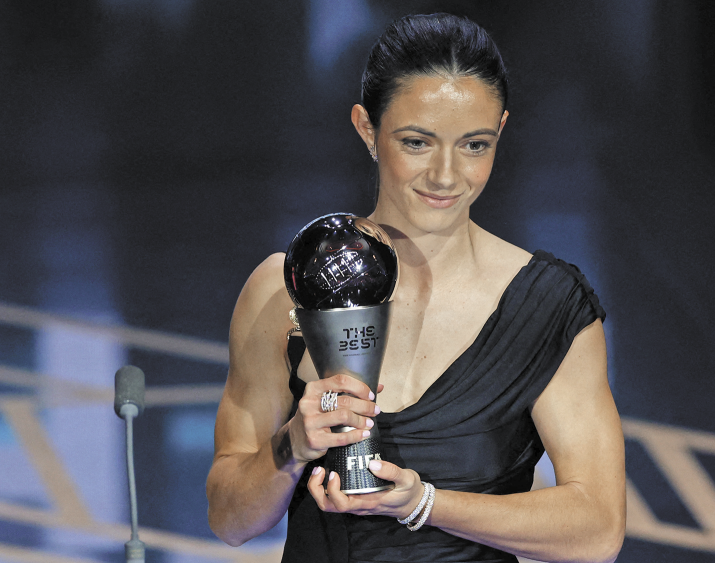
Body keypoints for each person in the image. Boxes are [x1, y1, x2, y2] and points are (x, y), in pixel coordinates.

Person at [207, 13, 625, 563]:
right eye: (417, 142)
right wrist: (292, 445)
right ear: (366, 129)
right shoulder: (284, 289)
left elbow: (597, 530)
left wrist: (425, 503)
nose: (447, 176)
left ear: (500, 131)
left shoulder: (548, 305)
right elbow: (229, 519)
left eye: (475, 145)